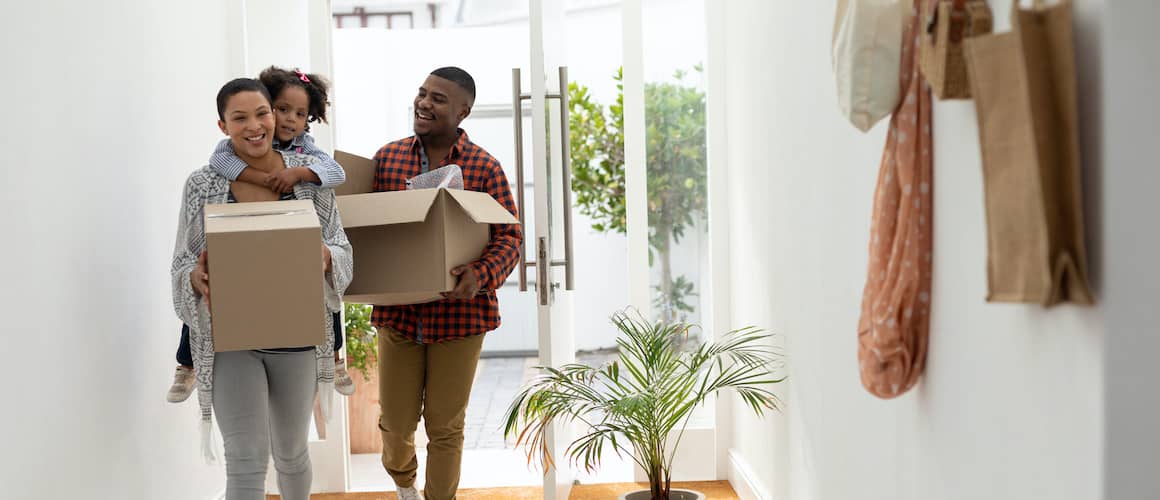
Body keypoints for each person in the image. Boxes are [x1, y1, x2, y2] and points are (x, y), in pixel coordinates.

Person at [171, 77, 353, 500]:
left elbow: (342, 248)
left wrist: (326, 256)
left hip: (298, 339)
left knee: (291, 453)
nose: (254, 126)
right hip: (230, 342)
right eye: (240, 118)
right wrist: (193, 278)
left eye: (262, 113)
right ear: (223, 126)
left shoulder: (309, 181)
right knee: (247, 460)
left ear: (273, 115)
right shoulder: (202, 184)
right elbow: (182, 260)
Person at [372, 66, 523, 500]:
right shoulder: (387, 159)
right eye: (422, 93)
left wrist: (482, 274)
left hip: (460, 319)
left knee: (445, 426)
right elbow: (366, 227)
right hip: (398, 315)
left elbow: (510, 235)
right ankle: (404, 484)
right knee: (396, 424)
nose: (424, 103)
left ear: (463, 111)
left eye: (438, 98)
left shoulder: (484, 167)